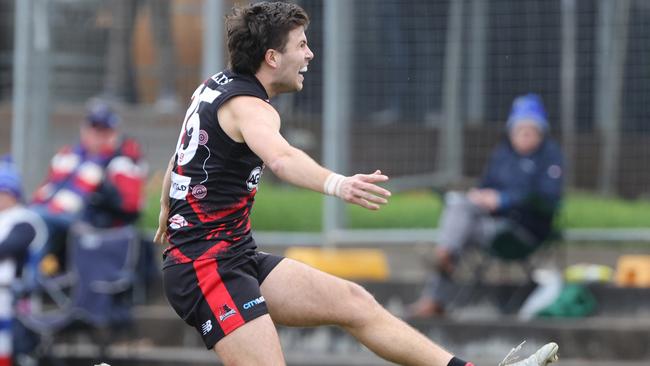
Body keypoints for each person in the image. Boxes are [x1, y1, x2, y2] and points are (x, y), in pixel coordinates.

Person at [154, 3, 559, 366]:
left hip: (234, 257)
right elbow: (281, 158)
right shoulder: (252, 109)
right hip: (206, 267)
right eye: (302, 45)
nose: (310, 54)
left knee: (355, 302)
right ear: (273, 57)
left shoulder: (212, 87)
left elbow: (179, 159)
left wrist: (166, 212)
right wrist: (338, 184)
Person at [408, 93, 564, 319]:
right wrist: (481, 196)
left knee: (458, 225)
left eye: (529, 131)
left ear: (540, 132)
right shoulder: (503, 155)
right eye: (519, 130)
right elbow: (486, 185)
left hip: (524, 231)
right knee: (458, 204)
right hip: (492, 224)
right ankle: (443, 261)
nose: (523, 136)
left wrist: (504, 200)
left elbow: (548, 197)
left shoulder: (550, 157)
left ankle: (440, 270)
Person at [31, 100, 146, 274]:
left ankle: (28, 286)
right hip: (51, 214)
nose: (97, 134)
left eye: (103, 129)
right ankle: (25, 280)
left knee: (36, 220)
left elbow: (131, 207)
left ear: (113, 132)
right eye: (93, 127)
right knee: (25, 219)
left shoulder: (121, 160)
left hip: (89, 221)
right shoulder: (68, 155)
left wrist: (103, 185)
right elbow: (45, 190)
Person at [0, 156, 47, 363]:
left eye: (4, 192)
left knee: (14, 349)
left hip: (17, 294)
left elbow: (7, 247)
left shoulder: (25, 218)